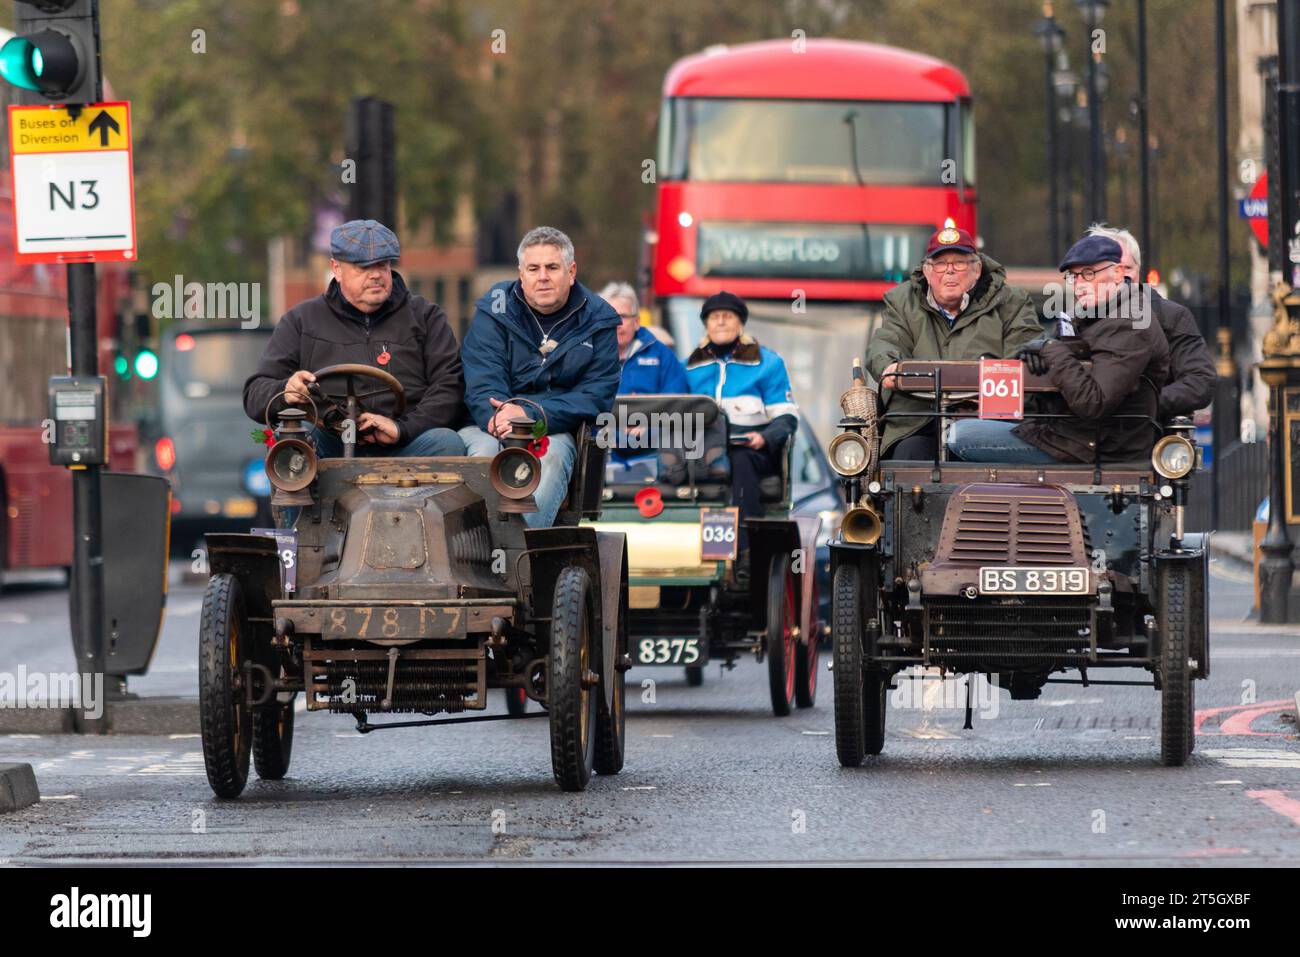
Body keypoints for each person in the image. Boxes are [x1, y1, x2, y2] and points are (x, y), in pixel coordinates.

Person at [243, 218, 467, 458]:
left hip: (406, 443)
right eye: (363, 267)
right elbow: (255, 394)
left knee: (447, 443)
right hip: (329, 444)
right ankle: (306, 497)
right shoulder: (301, 320)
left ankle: (421, 496)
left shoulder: (425, 316)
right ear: (336, 269)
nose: (376, 276)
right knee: (294, 441)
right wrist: (286, 391)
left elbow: (449, 387)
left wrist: (402, 428)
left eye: (382, 265)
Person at [947, 235, 1170, 464]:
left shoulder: (1131, 322)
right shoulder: (1089, 315)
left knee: (961, 436)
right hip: (1068, 434)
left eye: (1089, 274)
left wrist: (1050, 349)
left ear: (1117, 272)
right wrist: (1033, 352)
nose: (1080, 284)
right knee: (961, 425)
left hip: (1098, 448)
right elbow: (1061, 352)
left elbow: (1094, 402)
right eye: (1073, 277)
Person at [459, 226, 621, 528]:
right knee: (482, 456)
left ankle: (520, 555)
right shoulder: (495, 310)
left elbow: (596, 395)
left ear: (571, 272)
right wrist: (499, 419)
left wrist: (531, 414)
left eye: (552, 267)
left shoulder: (599, 319)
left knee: (554, 455)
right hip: (488, 424)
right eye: (533, 268)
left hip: (555, 430)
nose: (542, 276)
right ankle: (477, 555)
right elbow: (482, 377)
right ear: (521, 274)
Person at [865, 224, 1042, 459]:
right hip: (920, 419)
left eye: (959, 263)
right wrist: (889, 366)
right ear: (927, 271)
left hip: (989, 421)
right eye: (940, 264)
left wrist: (977, 403)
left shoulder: (1012, 302)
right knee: (907, 458)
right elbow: (885, 342)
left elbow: (1024, 350)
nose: (949, 271)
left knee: (989, 462)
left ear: (977, 269)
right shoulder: (902, 301)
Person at [686, 291, 798, 546]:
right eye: (714, 317)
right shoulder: (689, 367)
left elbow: (787, 416)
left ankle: (745, 549)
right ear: (706, 325)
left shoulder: (768, 363)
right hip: (703, 450)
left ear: (741, 324)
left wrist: (764, 438)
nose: (721, 322)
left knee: (741, 459)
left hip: (751, 450)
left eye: (728, 316)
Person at [1086, 223, 1215, 419]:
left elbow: (1200, 381)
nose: (1121, 275)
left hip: (1152, 436)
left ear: (1138, 270)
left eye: (1127, 267)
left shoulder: (1171, 317)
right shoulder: (1076, 320)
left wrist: (1146, 404)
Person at [602, 281, 689, 395]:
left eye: (622, 316)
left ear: (637, 322)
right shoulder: (588, 354)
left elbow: (678, 402)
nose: (616, 323)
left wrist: (642, 408)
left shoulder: (662, 356)